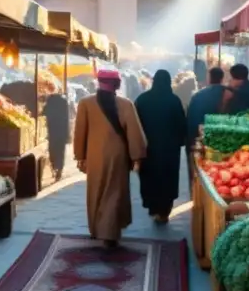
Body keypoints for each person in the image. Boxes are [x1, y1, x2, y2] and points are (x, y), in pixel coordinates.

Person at [73, 69, 147, 247]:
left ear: (98, 82)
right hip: (117, 156)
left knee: (96, 191)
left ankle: (97, 229)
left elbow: (80, 132)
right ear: (117, 85)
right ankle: (109, 233)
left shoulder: (85, 103)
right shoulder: (126, 104)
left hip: (94, 155)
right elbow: (135, 133)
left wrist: (80, 156)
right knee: (114, 193)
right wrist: (137, 155)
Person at [134, 70, 187, 223]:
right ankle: (164, 210)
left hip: (148, 148)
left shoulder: (142, 99)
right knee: (167, 178)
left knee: (150, 177)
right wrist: (179, 141)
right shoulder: (174, 100)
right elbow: (181, 124)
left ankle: (153, 207)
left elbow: (135, 124)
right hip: (169, 150)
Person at [185, 66, 227, 186]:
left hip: (201, 143)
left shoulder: (197, 96)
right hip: (225, 145)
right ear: (222, 78)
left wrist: (191, 144)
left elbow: (191, 121)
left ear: (209, 78)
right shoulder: (229, 93)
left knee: (201, 175)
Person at [42, 91, 70, 181]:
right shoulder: (64, 101)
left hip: (52, 130)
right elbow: (67, 118)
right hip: (62, 130)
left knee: (52, 149)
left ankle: (55, 167)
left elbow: (44, 113)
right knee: (61, 151)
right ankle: (59, 170)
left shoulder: (50, 101)